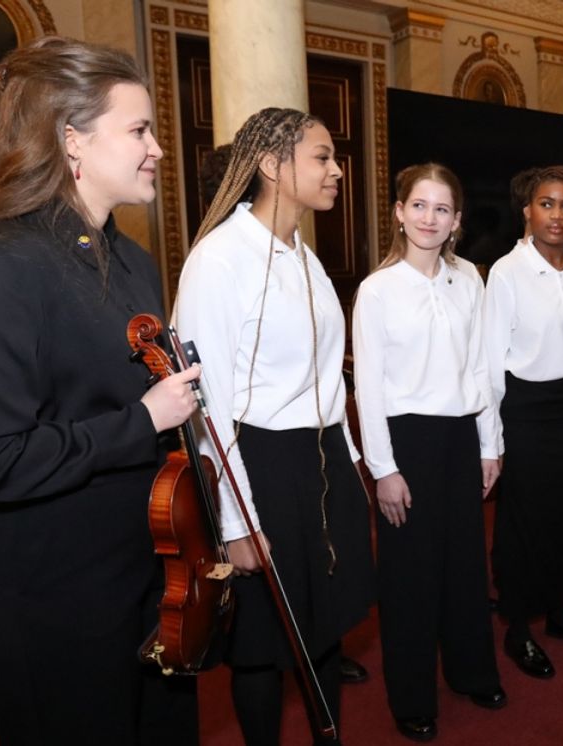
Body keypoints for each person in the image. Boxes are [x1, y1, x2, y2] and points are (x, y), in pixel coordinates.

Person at [0, 38, 200, 743]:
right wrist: (142, 420)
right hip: (53, 595)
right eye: (139, 130)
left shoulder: (130, 258)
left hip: (145, 575)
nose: (157, 149)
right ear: (72, 138)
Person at [172, 108, 375, 745]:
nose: (336, 170)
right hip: (260, 467)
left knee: (325, 624)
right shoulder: (218, 259)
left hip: (322, 462)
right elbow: (207, 404)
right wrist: (237, 524)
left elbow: (327, 380)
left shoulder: (303, 256)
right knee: (261, 641)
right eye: (322, 157)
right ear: (271, 165)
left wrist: (352, 465)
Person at [353, 163, 505, 742]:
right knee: (410, 576)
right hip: (406, 443)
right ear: (399, 211)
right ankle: (412, 697)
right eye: (419, 205)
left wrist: (490, 445)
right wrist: (384, 469)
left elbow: (480, 368)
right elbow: (368, 387)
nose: (429, 218)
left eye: (442, 209)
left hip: (461, 437)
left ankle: (472, 671)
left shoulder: (469, 280)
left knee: (466, 564)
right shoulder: (378, 289)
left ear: (457, 220)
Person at [483, 165, 563, 681]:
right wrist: (492, 437)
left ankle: (558, 613)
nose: (557, 215)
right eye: (547, 204)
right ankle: (517, 627)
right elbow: (491, 361)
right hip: (524, 409)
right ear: (527, 210)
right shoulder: (506, 272)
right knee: (522, 523)